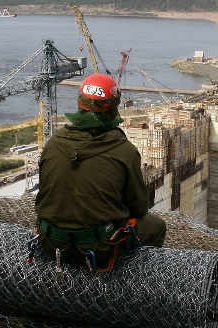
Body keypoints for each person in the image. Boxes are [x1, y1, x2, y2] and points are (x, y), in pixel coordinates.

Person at [34, 73, 166, 272]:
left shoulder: (52, 144)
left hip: (51, 242)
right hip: (101, 247)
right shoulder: (125, 151)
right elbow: (139, 208)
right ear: (114, 108)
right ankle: (135, 277)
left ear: (80, 104)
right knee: (156, 226)